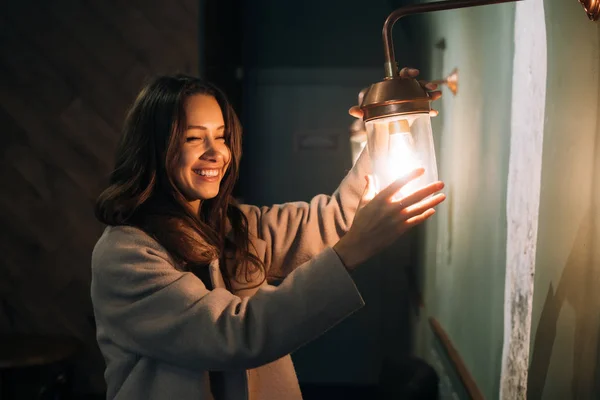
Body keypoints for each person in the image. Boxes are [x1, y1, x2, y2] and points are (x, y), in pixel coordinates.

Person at [90, 68, 446, 400]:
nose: (216, 153)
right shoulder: (125, 255)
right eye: (194, 138)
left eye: (222, 137)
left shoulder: (234, 226)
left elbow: (329, 219)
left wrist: (391, 122)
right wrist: (351, 251)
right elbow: (233, 336)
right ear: (153, 148)